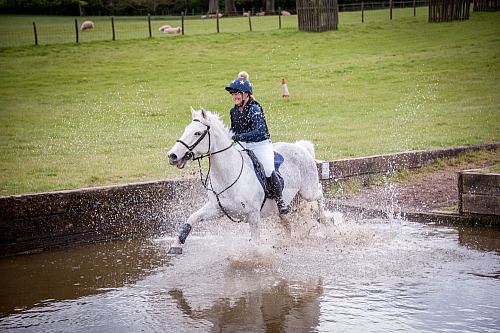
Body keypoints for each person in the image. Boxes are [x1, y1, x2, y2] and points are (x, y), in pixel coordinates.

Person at [225, 71, 290, 214]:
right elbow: (233, 129)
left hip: (261, 144)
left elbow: (259, 131)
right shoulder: (233, 111)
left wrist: (240, 136)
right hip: (245, 145)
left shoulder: (254, 108)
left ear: (246, 95)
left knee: (267, 169)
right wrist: (228, 135)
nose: (234, 96)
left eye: (237, 93)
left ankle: (280, 201)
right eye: (233, 94)